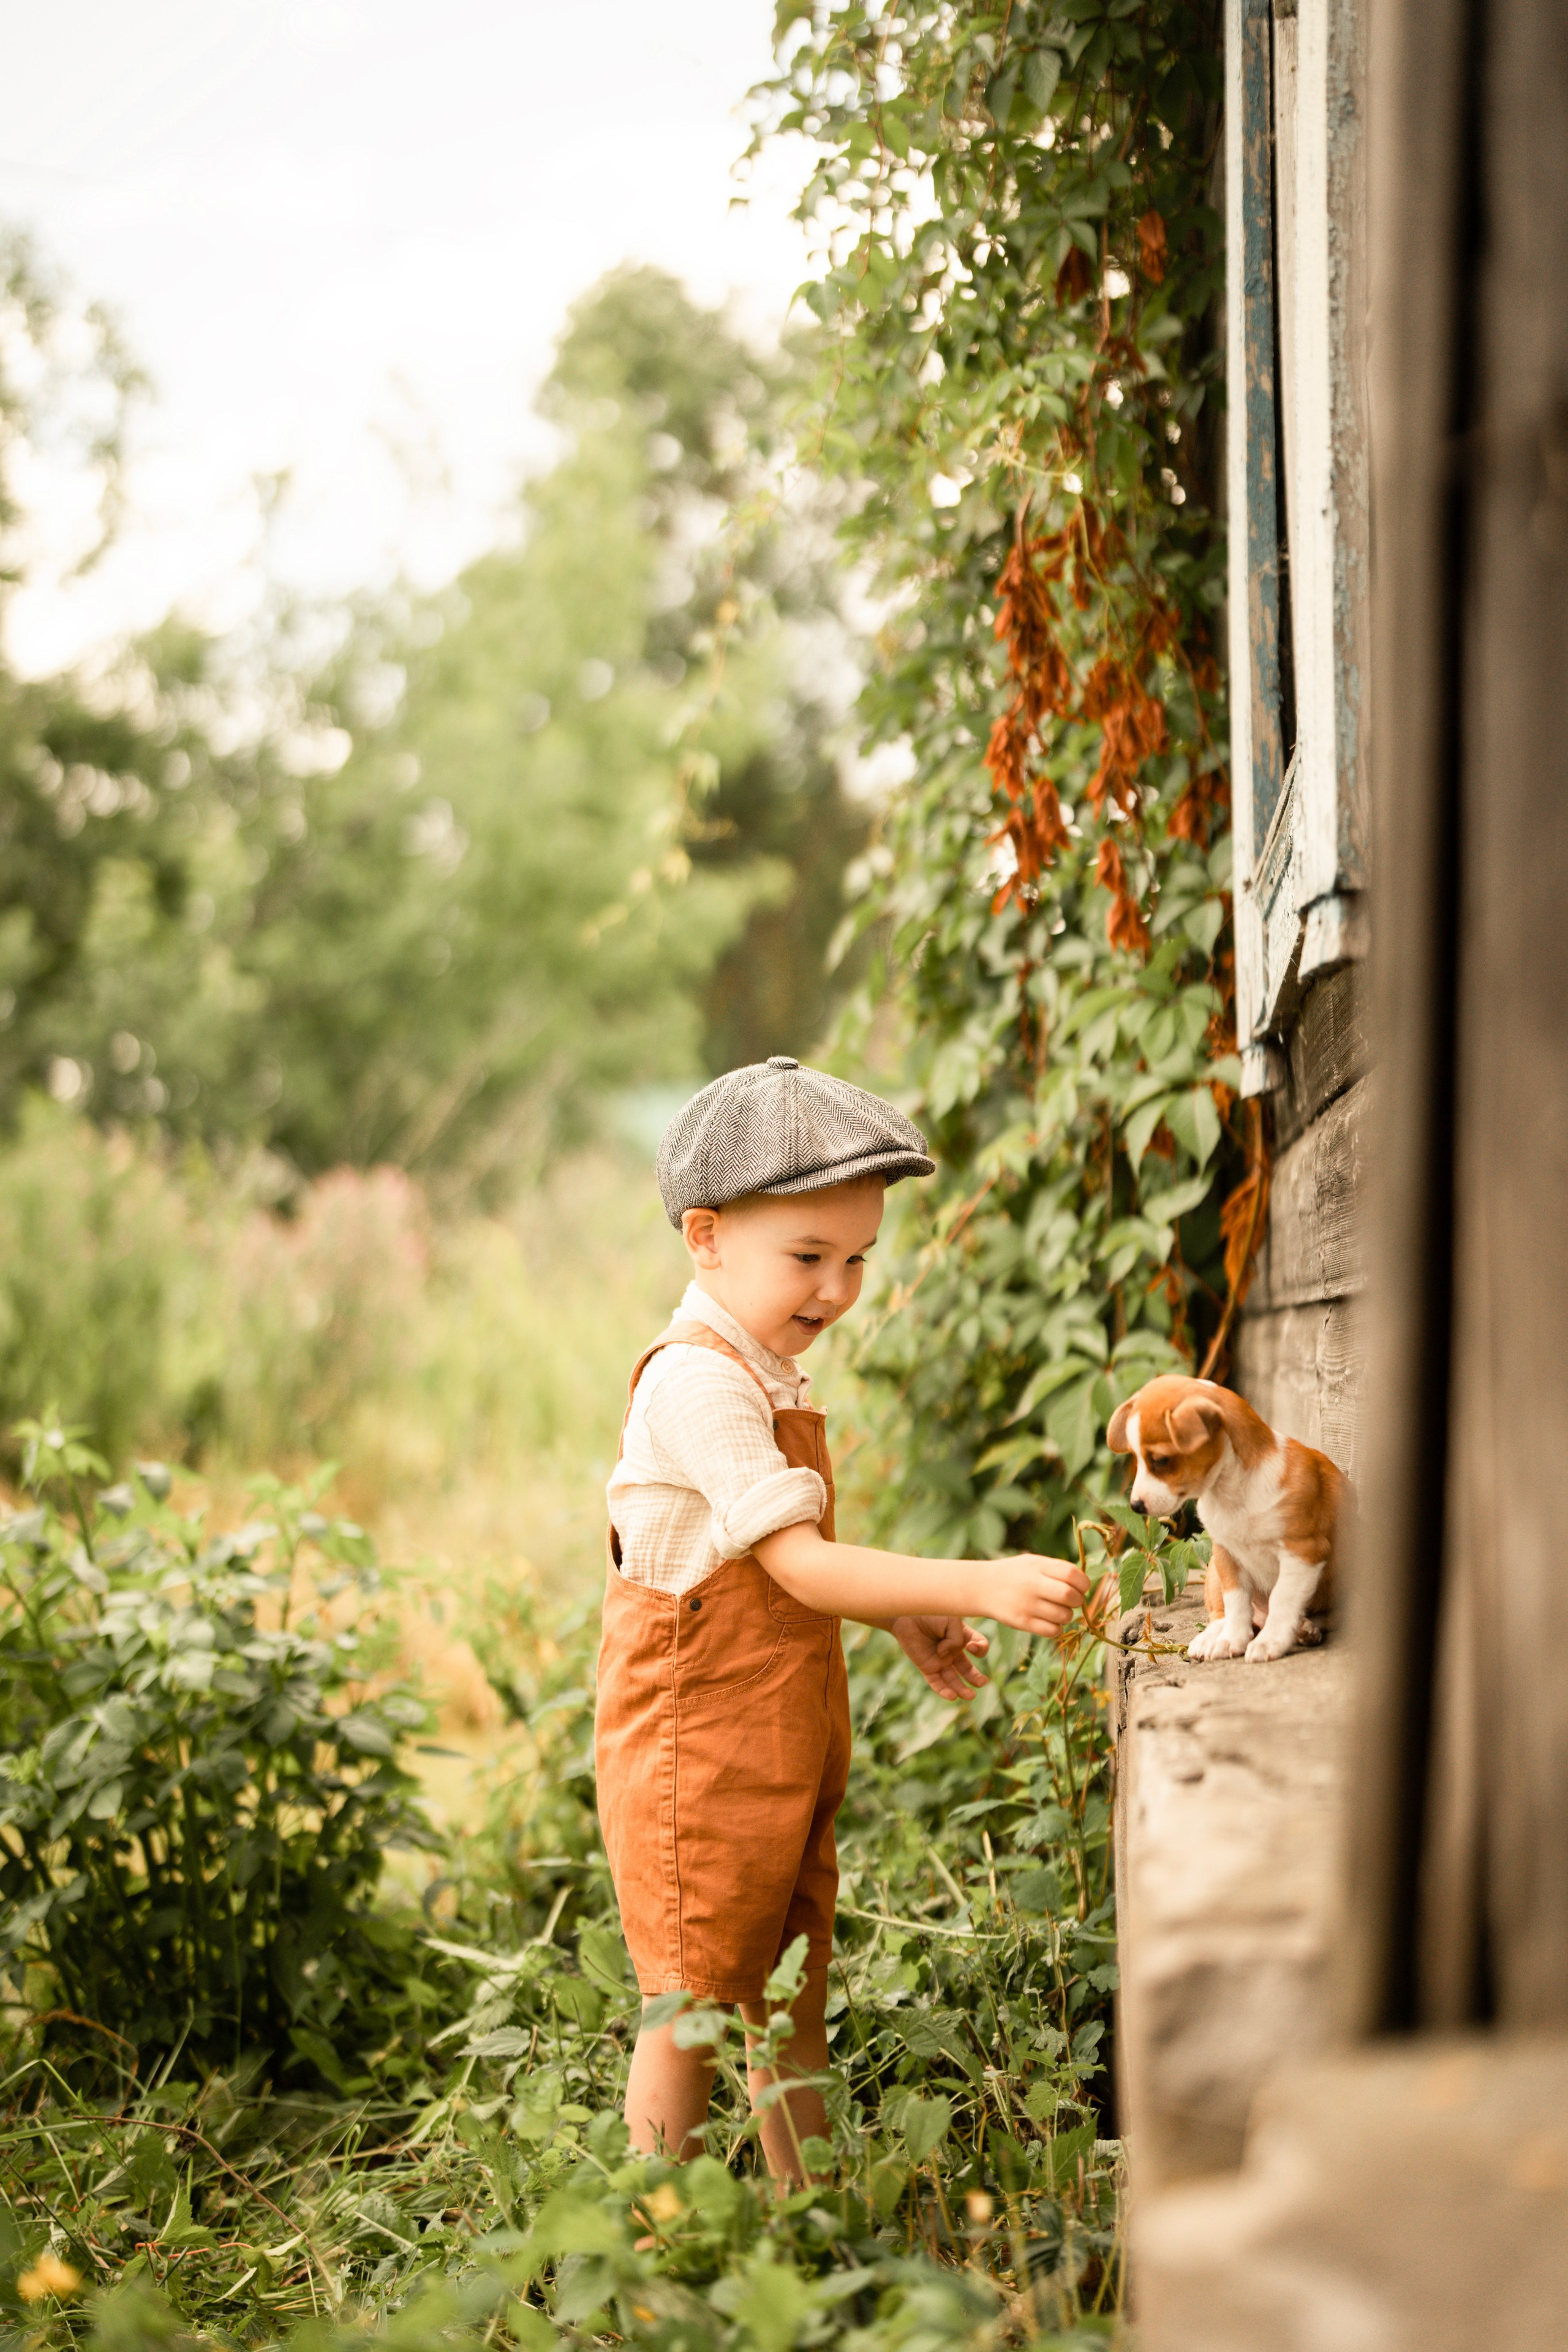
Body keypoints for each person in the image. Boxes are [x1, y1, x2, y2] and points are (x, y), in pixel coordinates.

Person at [596, 1055, 1088, 2180]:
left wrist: (897, 1620)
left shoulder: (768, 1370)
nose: (836, 1288)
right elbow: (801, 1566)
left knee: (786, 1984)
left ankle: (810, 2204)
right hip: (696, 1748)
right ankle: (645, 2235)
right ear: (705, 1237)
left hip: (778, 1737)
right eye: (809, 1257)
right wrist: (965, 1585)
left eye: (858, 1257)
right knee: (693, 2006)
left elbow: (779, 1573)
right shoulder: (702, 1385)